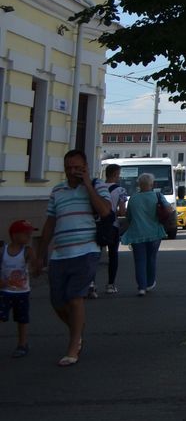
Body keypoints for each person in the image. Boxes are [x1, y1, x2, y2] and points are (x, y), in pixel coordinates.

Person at [31, 148, 114, 366]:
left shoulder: (97, 186)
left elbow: (105, 211)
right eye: (69, 168)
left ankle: (73, 346)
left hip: (86, 251)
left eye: (77, 168)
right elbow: (50, 223)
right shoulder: (57, 191)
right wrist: (40, 255)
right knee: (57, 301)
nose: (72, 172)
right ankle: (77, 332)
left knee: (75, 297)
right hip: (60, 253)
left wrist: (87, 183)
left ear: (85, 167)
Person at [118, 172, 168, 296]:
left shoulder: (134, 198)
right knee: (151, 259)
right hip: (155, 233)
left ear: (139, 185)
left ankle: (141, 287)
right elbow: (169, 209)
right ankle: (150, 283)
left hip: (137, 234)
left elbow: (128, 216)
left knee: (139, 261)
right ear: (152, 184)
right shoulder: (157, 196)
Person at [89, 163, 128, 298]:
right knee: (113, 256)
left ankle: (92, 284)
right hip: (112, 225)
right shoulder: (120, 190)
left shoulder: (96, 188)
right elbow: (122, 211)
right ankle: (111, 285)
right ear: (116, 174)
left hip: (96, 224)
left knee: (95, 255)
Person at [3, 219, 36, 358]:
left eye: (30, 234)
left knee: (22, 319)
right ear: (15, 235)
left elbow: (34, 268)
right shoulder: (3, 250)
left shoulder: (27, 251)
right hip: (4, 290)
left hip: (22, 292)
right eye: (26, 234)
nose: (29, 236)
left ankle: (22, 344)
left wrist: (35, 263)